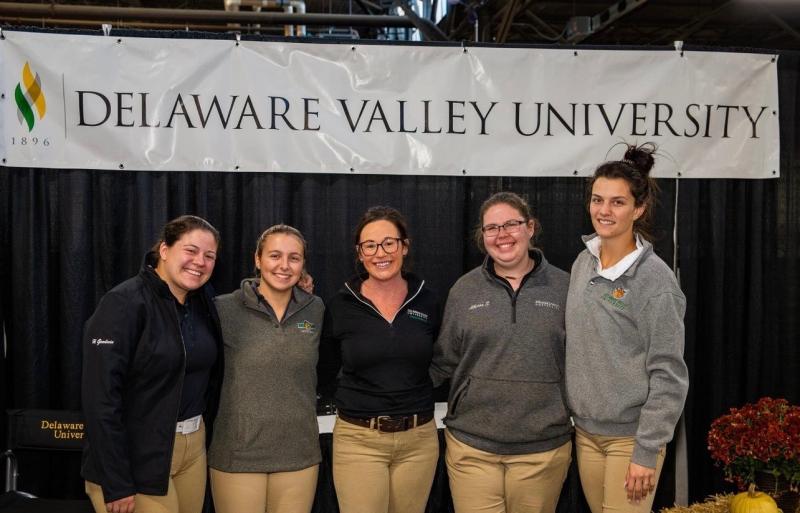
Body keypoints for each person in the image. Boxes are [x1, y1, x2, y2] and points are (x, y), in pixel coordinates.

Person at [565, 144, 689, 513]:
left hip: (631, 439)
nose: (604, 211)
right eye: (597, 199)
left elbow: (669, 374)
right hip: (586, 434)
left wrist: (646, 450)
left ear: (638, 209)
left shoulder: (655, 282)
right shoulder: (582, 263)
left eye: (617, 203)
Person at [430, 191, 572, 513]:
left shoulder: (566, 288)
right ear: (482, 237)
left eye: (511, 224)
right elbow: (444, 361)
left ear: (530, 227)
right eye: (491, 228)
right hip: (471, 446)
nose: (502, 235)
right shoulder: (463, 290)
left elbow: (582, 359)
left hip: (542, 449)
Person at [82, 215, 223, 513]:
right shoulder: (123, 303)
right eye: (191, 250)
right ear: (164, 249)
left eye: (209, 256)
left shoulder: (202, 302)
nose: (199, 261)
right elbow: (100, 401)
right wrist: (116, 482)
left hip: (193, 448)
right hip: (136, 453)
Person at [318, 206, 441, 513]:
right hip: (359, 440)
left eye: (389, 242)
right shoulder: (340, 304)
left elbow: (443, 357)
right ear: (359, 254)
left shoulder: (428, 299)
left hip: (419, 441)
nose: (380, 253)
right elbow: (326, 367)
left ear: (404, 246)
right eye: (369, 245)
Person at [207, 224, 324, 513]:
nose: (284, 266)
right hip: (237, 455)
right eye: (274, 256)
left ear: (303, 265)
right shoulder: (222, 309)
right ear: (257, 260)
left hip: (299, 455)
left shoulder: (316, 308)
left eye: (294, 258)